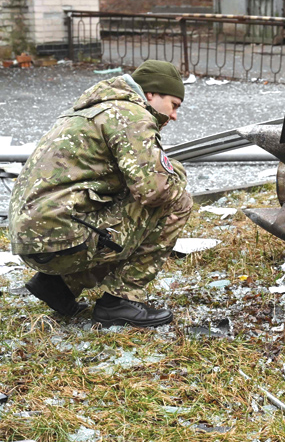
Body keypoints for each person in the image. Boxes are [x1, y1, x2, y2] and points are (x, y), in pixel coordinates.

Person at [8, 60, 192, 328]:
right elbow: (155, 191)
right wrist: (177, 172)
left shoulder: (91, 109)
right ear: (151, 93)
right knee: (178, 201)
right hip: (61, 240)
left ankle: (60, 285)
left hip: (31, 240)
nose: (174, 115)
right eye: (174, 105)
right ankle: (120, 300)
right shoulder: (131, 114)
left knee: (126, 200)